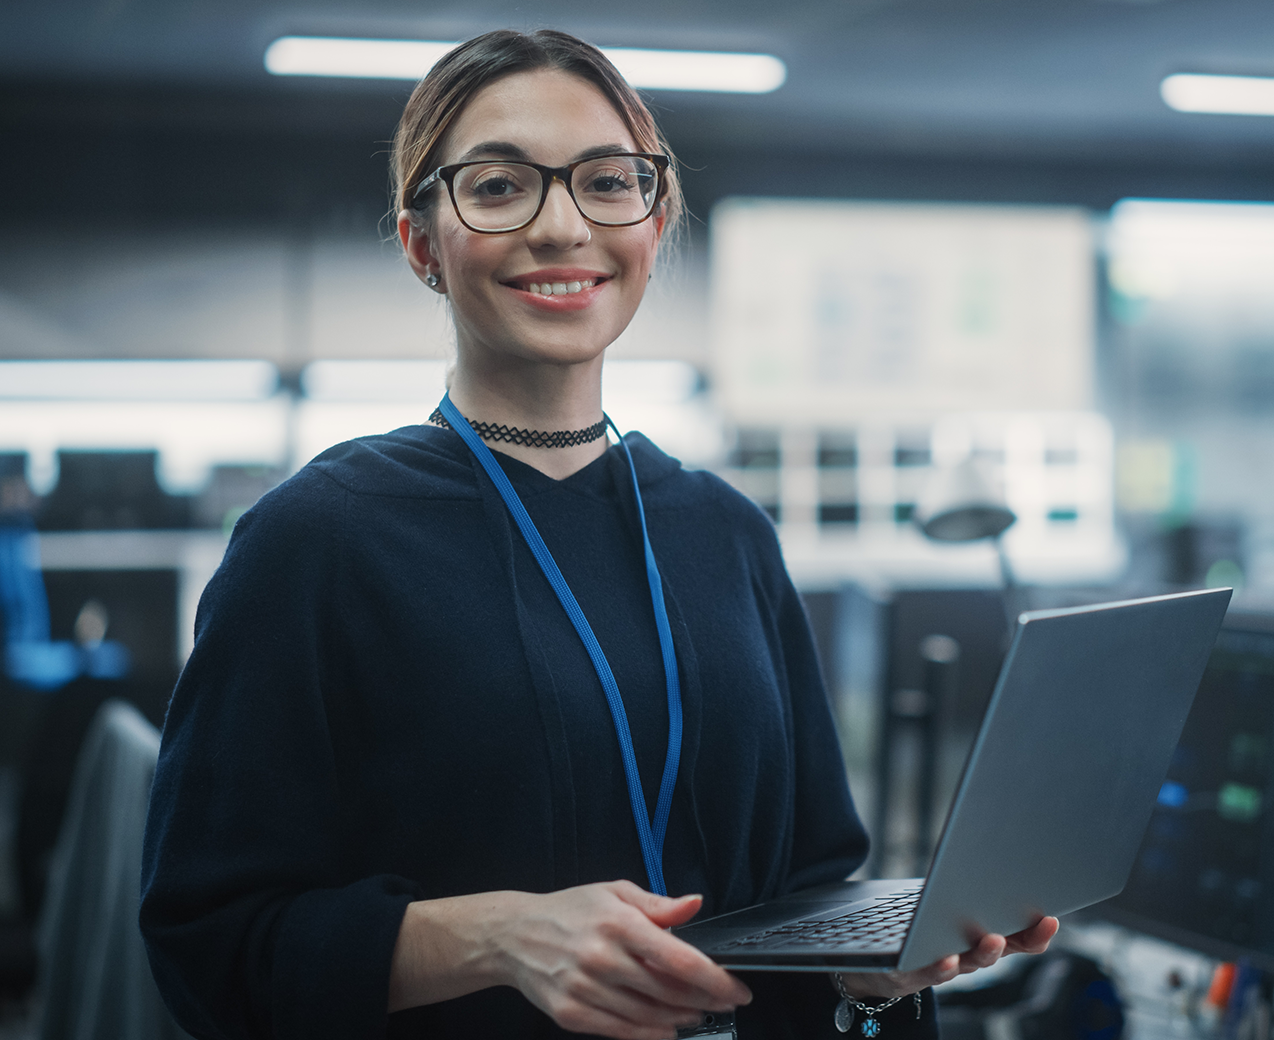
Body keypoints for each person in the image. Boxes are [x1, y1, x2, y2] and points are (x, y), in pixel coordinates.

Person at [139, 29, 1056, 1040]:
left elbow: (807, 881)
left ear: (651, 225)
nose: (561, 226)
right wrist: (495, 935)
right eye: (498, 187)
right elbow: (209, 942)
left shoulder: (726, 531)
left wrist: (871, 962)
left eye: (606, 183)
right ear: (421, 243)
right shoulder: (314, 540)